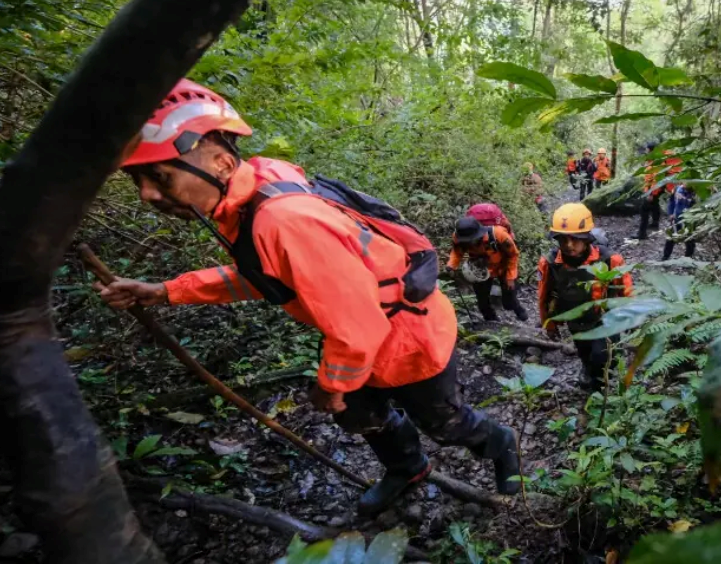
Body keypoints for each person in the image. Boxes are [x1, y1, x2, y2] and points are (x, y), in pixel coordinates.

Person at [93, 79, 520, 515]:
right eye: (138, 179)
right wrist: (165, 292)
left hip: (407, 338)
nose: (146, 194)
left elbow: (359, 328)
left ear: (221, 162)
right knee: (359, 415)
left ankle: (500, 443)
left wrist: (331, 386)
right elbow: (265, 277)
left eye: (159, 176)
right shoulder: (252, 197)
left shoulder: (283, 220)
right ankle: (407, 468)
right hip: (361, 339)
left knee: (443, 423)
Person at [538, 203, 634, 391]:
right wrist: (548, 323)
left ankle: (600, 389)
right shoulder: (550, 263)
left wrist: (634, 319)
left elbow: (627, 291)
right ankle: (587, 368)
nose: (569, 245)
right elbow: (543, 295)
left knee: (601, 356)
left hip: (606, 319)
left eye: (575, 239)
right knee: (584, 350)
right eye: (563, 240)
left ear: (587, 238)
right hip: (575, 320)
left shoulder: (610, 260)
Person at [447, 216, 528, 322]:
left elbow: (513, 255)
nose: (469, 243)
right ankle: (491, 322)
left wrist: (510, 277)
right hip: (480, 270)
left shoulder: (499, 235)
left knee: (509, 301)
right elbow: (457, 252)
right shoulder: (458, 237)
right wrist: (451, 265)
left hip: (503, 267)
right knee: (482, 301)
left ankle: (520, 311)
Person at [637, 142, 683, 240]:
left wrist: (651, 193)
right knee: (654, 203)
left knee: (644, 208)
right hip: (671, 184)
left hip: (665, 184)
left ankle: (642, 234)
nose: (645, 151)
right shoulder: (662, 155)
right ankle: (655, 224)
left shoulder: (658, 160)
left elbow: (656, 178)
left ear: (651, 150)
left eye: (647, 149)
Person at [663, 183, 697, 260]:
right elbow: (671, 201)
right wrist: (670, 213)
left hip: (689, 219)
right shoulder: (677, 189)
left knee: (689, 239)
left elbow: (697, 205)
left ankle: (688, 258)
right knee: (670, 238)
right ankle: (665, 256)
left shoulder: (695, 191)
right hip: (676, 217)